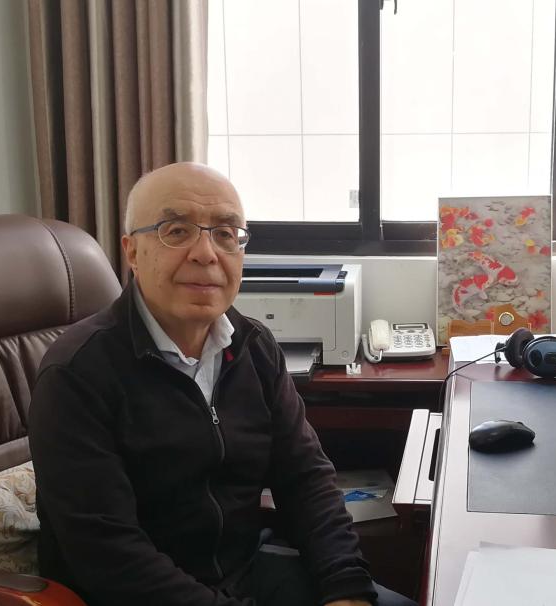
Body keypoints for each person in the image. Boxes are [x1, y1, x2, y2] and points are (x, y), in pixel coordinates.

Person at [29, 163, 415, 606]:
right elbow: (109, 556)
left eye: (226, 234)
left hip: (244, 572)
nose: (206, 253)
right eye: (177, 231)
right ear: (132, 252)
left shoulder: (253, 346)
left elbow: (305, 479)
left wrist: (345, 588)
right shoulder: (76, 374)